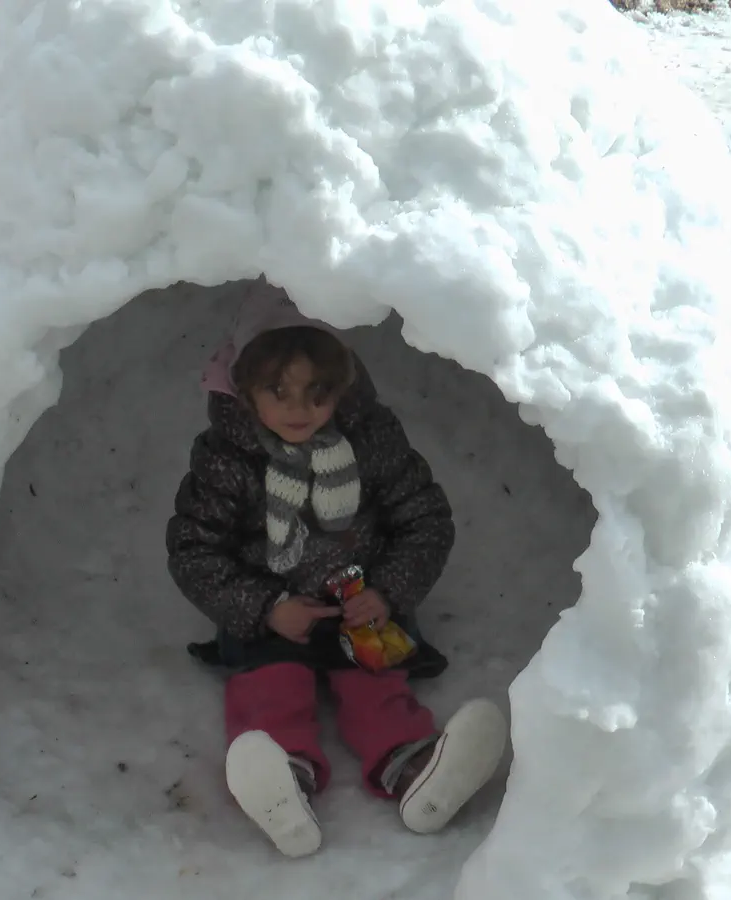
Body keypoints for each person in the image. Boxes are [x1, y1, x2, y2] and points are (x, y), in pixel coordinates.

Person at [165, 279, 508, 858]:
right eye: (278, 391)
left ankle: (418, 770)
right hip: (271, 612)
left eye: (317, 391)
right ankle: (282, 784)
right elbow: (195, 549)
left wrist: (387, 592)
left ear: (341, 384)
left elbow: (424, 519)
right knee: (271, 686)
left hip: (359, 604)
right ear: (245, 389)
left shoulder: (369, 439)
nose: (299, 410)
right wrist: (265, 608)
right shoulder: (227, 458)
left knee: (375, 683)